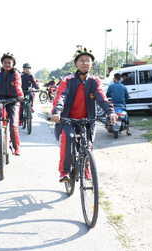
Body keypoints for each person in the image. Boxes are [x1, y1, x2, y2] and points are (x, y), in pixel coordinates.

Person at [51, 47, 118, 182]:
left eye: (88, 61)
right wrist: (57, 111)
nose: (85, 63)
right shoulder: (68, 80)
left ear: (91, 64)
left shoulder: (95, 81)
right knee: (68, 139)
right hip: (68, 119)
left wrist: (110, 112)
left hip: (88, 120)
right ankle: (64, 172)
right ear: (76, 63)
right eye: (82, 60)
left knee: (88, 146)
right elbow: (61, 96)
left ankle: (87, 170)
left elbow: (101, 97)